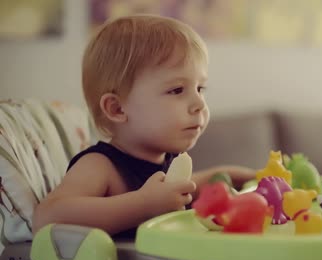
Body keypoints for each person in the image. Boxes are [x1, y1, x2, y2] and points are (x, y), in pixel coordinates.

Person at [32, 14, 255, 238]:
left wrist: (240, 175)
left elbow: (193, 185)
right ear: (117, 109)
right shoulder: (100, 166)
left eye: (200, 89)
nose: (199, 104)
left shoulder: (167, 161)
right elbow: (47, 218)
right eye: (177, 90)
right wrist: (144, 204)